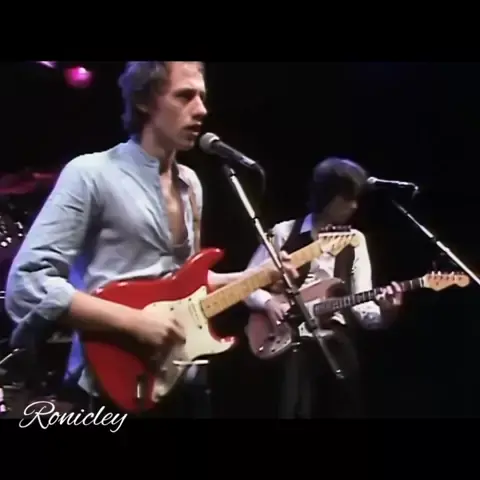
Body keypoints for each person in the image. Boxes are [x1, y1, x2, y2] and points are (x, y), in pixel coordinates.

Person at [4, 61, 295, 418]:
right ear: (144, 101)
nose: (201, 110)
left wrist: (255, 276)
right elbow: (28, 282)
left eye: (202, 97)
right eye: (185, 96)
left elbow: (184, 284)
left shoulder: (191, 185)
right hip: (111, 384)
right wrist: (134, 322)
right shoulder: (91, 173)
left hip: (181, 378)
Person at [244, 157, 403, 418]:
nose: (354, 206)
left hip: (334, 341)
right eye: (346, 198)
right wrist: (269, 302)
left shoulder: (354, 241)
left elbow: (362, 306)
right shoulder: (284, 232)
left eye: (356, 199)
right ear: (327, 196)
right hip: (286, 340)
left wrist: (387, 312)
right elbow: (245, 286)